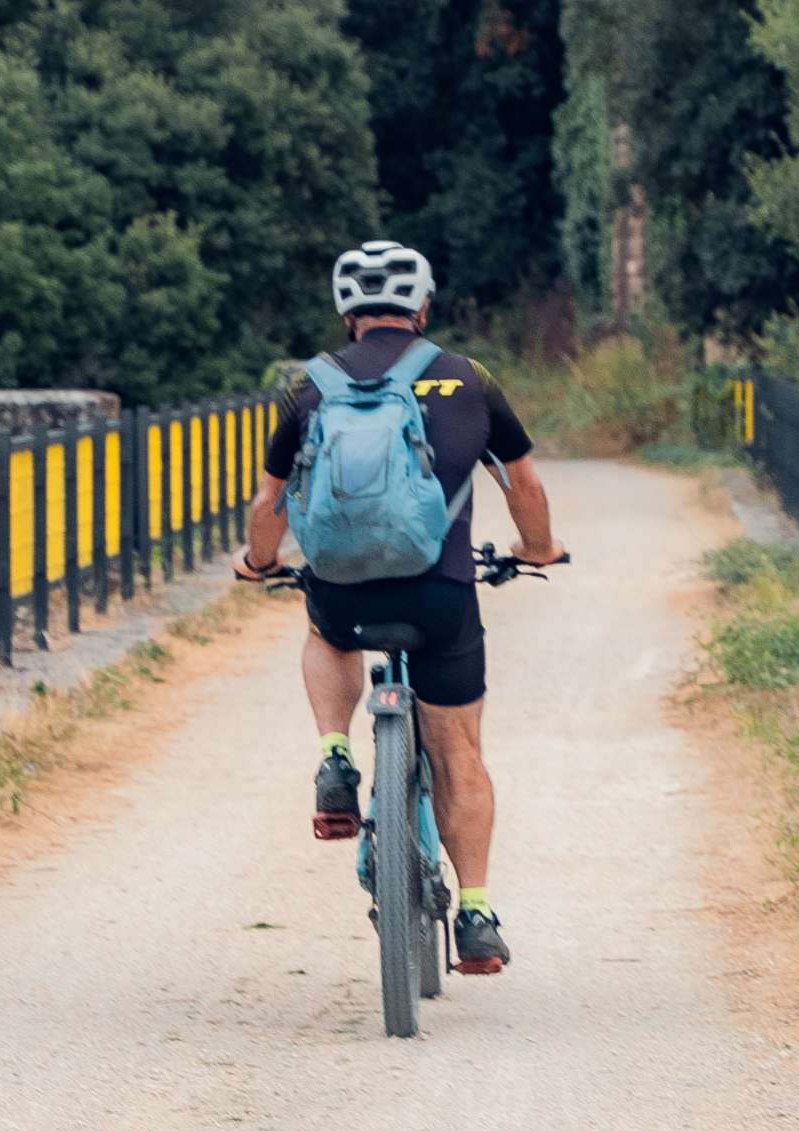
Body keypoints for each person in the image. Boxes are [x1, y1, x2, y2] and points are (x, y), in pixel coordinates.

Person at [233, 239, 560, 976]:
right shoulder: (468, 379)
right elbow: (526, 491)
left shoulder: (308, 388)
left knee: (324, 630)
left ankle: (335, 755)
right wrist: (536, 550)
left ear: (346, 311)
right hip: (441, 592)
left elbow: (268, 503)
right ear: (423, 305)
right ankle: (474, 913)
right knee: (459, 756)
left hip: (344, 590)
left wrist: (258, 563)